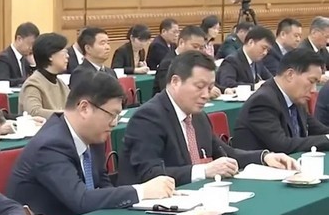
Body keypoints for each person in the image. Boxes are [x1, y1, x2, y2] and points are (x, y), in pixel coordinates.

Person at [7, 72, 175, 215]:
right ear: (84, 108)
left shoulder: (93, 137)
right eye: (112, 114)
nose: (114, 123)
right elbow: (81, 200)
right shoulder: (50, 145)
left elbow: (103, 185)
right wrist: (142, 191)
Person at [118, 50, 298, 187]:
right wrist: (204, 170)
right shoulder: (149, 117)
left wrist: (264, 157)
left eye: (210, 87)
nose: (206, 95)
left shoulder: (198, 116)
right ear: (175, 82)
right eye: (199, 86)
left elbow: (225, 153)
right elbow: (149, 174)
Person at [233, 49, 329, 154]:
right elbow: (282, 145)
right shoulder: (263, 100)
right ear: (290, 75)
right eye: (311, 81)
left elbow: (319, 130)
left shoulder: (296, 98)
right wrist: (326, 139)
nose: (314, 90)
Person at [152, 25, 222, 97]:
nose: (198, 51)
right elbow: (170, 92)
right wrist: (204, 91)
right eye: (195, 47)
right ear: (181, 42)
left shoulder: (196, 61)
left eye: (201, 48)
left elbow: (208, 82)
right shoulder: (168, 63)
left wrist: (224, 90)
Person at [19, 33, 70, 119]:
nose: (67, 56)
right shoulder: (33, 84)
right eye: (64, 52)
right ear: (50, 56)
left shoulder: (61, 84)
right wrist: (66, 114)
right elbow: (33, 112)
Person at [216, 25, 274, 91]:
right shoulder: (232, 61)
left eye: (267, 50)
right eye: (263, 48)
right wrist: (253, 87)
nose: (265, 53)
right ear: (251, 42)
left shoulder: (258, 61)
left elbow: (270, 79)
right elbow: (227, 84)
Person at [0, 22, 39, 86]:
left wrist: (33, 65)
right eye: (30, 44)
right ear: (19, 39)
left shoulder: (25, 59)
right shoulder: (3, 59)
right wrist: (28, 80)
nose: (31, 48)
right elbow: (3, 81)